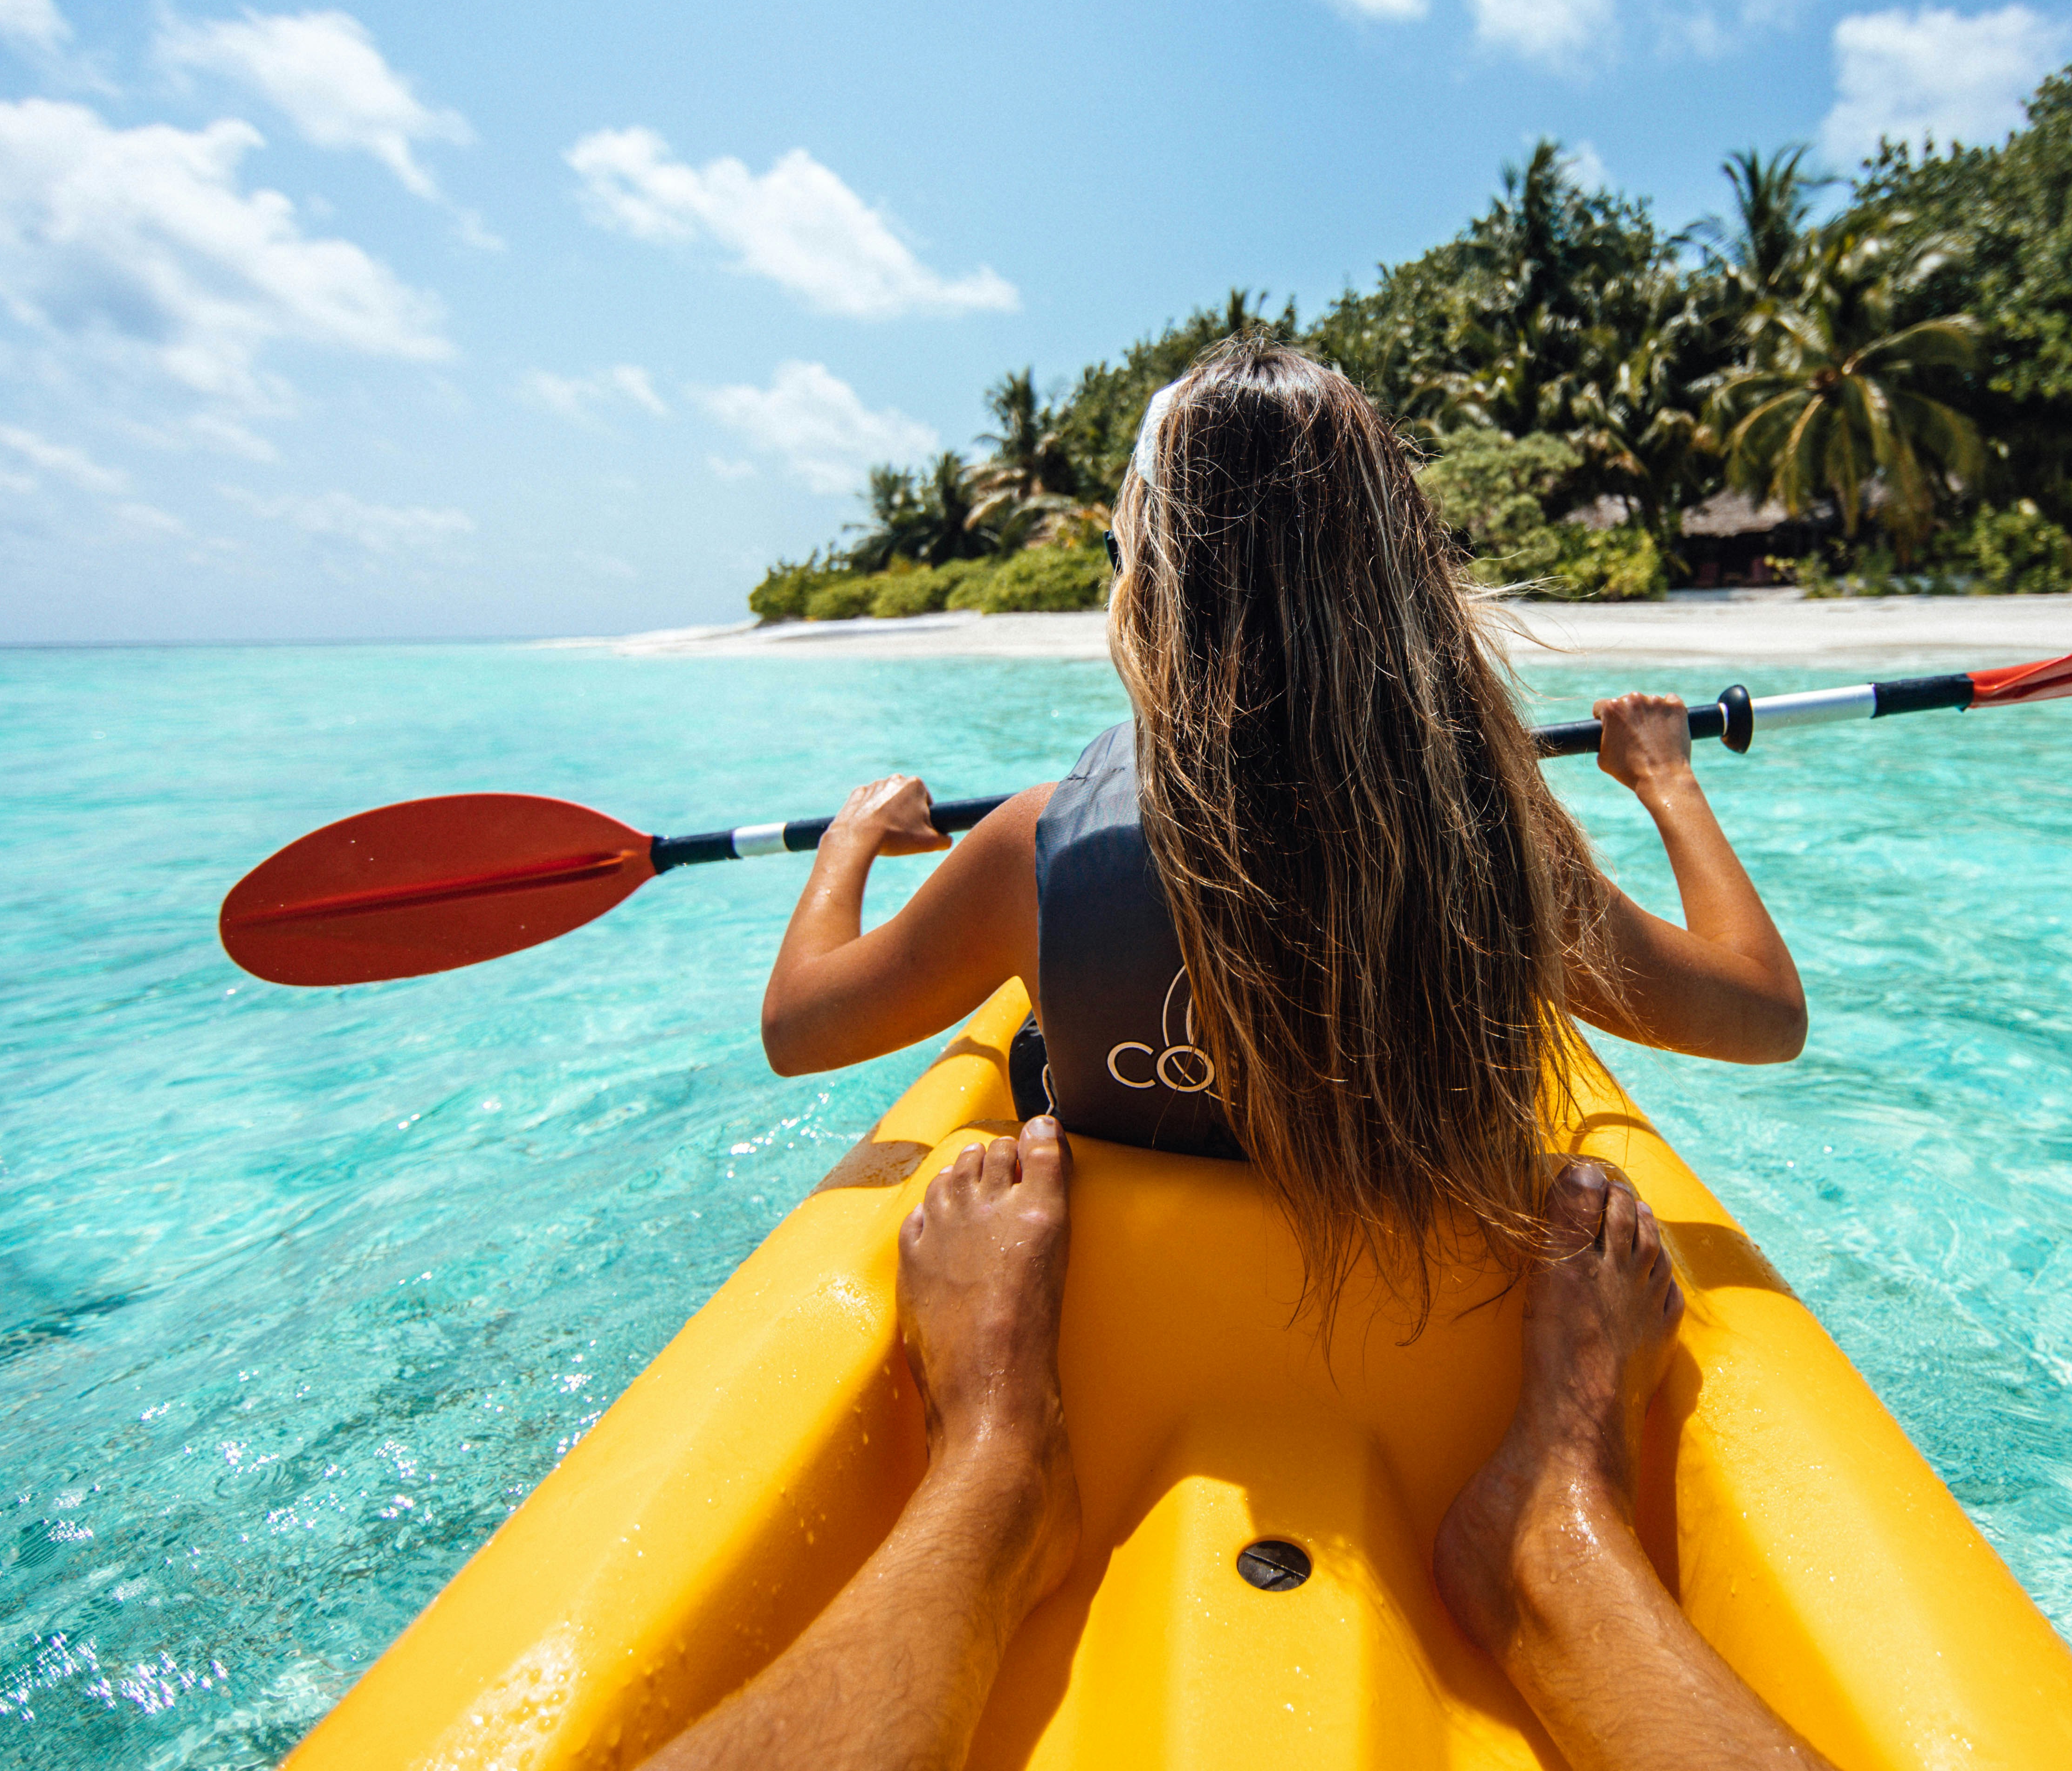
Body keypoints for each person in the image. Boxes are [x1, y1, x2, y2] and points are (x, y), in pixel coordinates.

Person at [649, 342, 1828, 1770]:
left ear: (1145, 572)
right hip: (1440, 1337)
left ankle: (1002, 1473)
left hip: (1115, 1336)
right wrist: (1672, 786)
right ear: (1399, 561)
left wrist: (845, 849)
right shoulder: (1495, 839)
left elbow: (802, 1027)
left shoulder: (1035, 846)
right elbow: (1762, 1015)